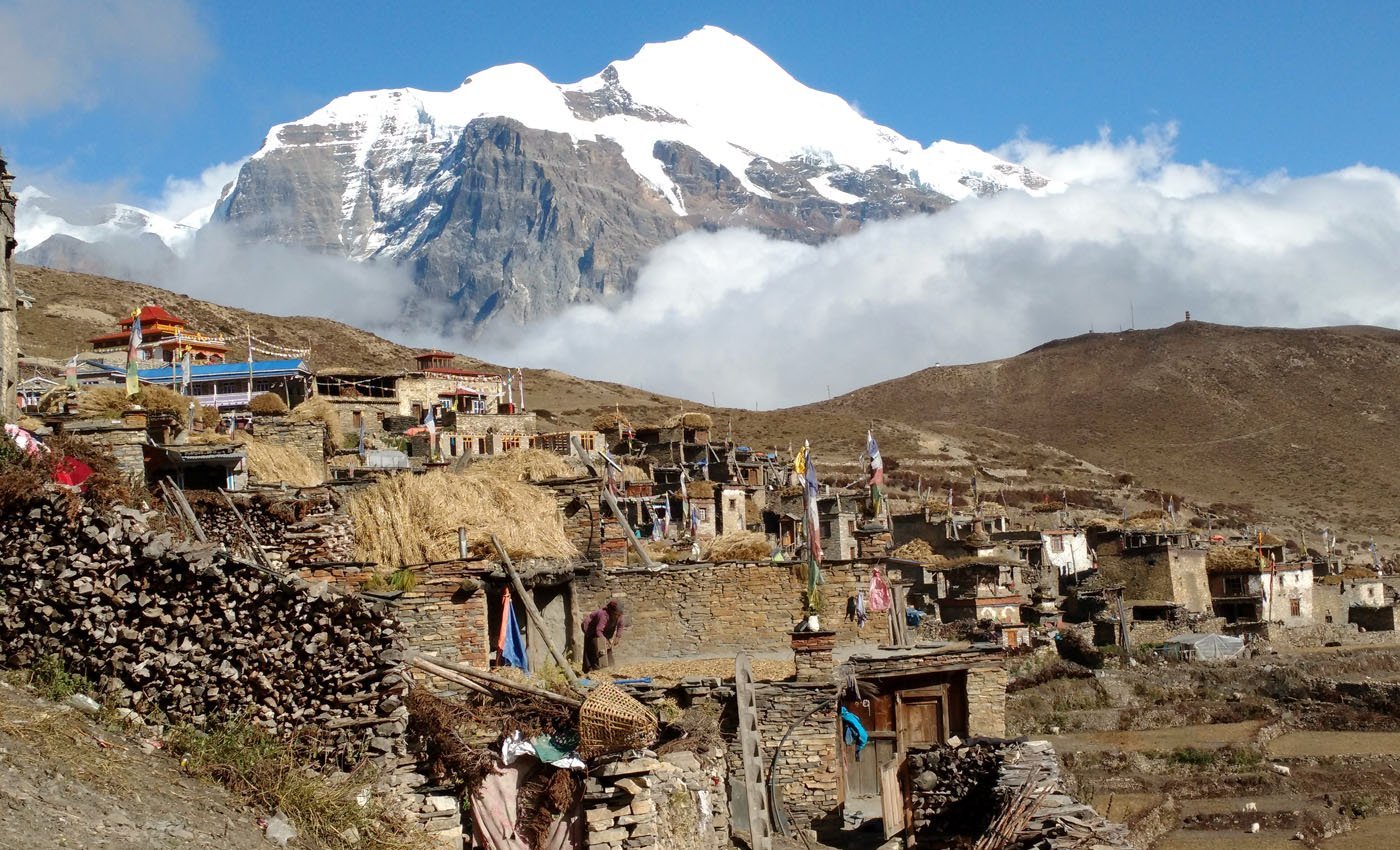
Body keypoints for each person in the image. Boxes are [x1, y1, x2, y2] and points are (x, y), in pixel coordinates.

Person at [583, 599, 624, 672]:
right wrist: (604, 641)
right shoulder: (603, 615)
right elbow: (598, 630)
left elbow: (620, 626)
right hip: (591, 629)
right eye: (616, 614)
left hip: (603, 631)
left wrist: (617, 637)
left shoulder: (620, 615)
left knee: (608, 647)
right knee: (595, 647)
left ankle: (611, 665)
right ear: (611, 611)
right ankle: (593, 669)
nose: (617, 616)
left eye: (619, 614)